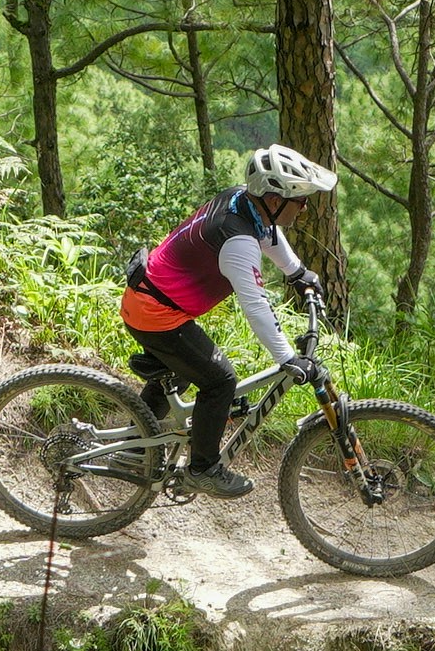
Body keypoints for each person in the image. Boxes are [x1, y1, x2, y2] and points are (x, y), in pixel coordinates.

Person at [121, 147, 334, 498]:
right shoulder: (237, 243)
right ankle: (203, 468)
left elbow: (269, 232)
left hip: (150, 300)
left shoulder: (241, 200)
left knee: (182, 370)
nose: (305, 207)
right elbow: (256, 306)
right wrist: (287, 358)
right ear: (272, 198)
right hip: (155, 313)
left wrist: (296, 272)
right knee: (219, 381)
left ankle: (132, 448)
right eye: (299, 199)